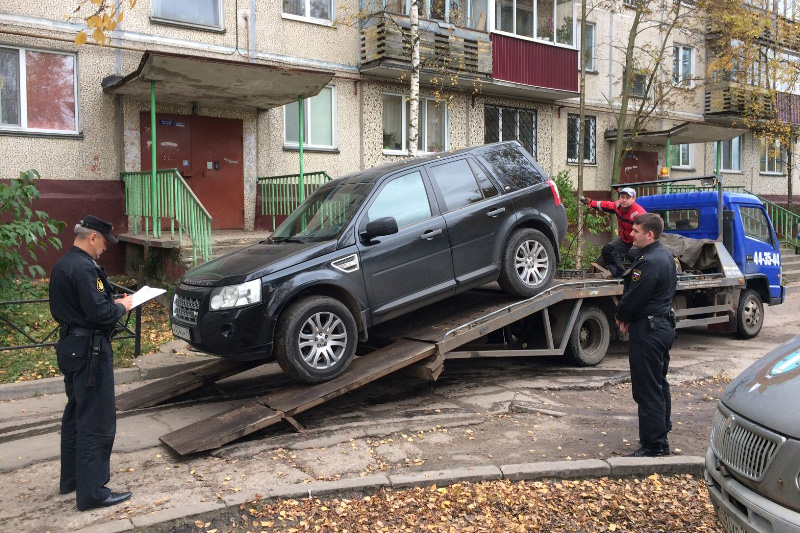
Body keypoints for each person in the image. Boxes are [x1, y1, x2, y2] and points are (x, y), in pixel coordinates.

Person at [49, 216, 134, 511]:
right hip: (90, 351)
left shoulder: (63, 264)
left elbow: (79, 305)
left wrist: (112, 300)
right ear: (94, 237)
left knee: (76, 414)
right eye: (104, 243)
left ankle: (72, 480)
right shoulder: (86, 268)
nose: (105, 250)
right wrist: (122, 306)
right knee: (96, 421)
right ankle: (93, 493)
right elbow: (100, 314)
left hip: (71, 347)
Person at [614, 213, 677, 457]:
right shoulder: (664, 256)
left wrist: (621, 316)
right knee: (659, 384)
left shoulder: (650, 261)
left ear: (649, 234)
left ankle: (654, 445)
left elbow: (635, 296)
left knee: (647, 388)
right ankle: (661, 435)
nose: (631, 235)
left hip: (649, 330)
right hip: (661, 326)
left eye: (636, 231)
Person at [581, 187, 646, 278]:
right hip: (624, 239)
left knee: (634, 255)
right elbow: (605, 205)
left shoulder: (638, 213)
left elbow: (645, 232)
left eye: (627, 198)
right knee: (608, 251)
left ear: (634, 199)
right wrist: (591, 202)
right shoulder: (617, 206)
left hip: (637, 241)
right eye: (622, 197)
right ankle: (621, 276)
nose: (624, 200)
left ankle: (641, 278)